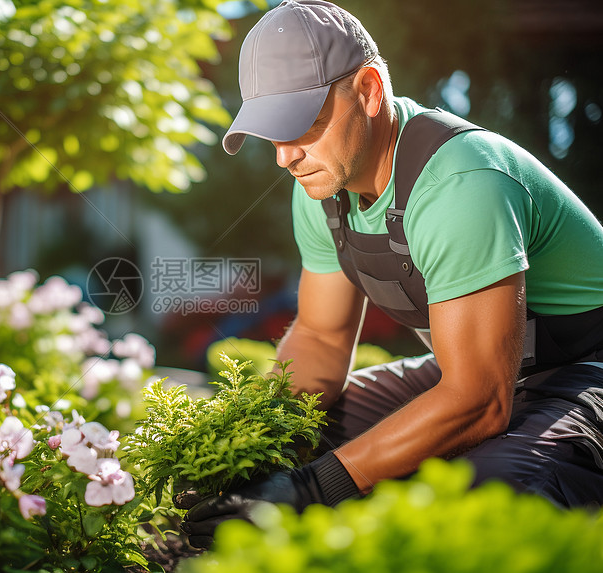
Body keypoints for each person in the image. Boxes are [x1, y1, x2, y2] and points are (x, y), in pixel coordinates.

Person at [179, 0, 603, 550]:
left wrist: (311, 488)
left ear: (370, 91)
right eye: (270, 134)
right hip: (496, 372)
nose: (285, 157)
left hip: (583, 372)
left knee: (491, 495)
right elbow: (321, 338)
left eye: (302, 125)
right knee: (300, 438)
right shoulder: (324, 185)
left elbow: (478, 399)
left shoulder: (461, 183)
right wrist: (244, 446)